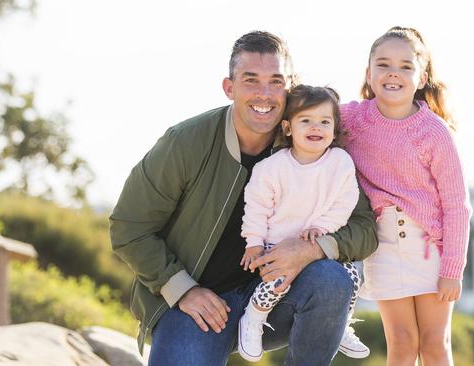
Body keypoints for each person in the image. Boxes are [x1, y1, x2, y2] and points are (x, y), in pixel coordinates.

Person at [109, 31, 378, 366]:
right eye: (251, 80)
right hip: (198, 305)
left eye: (275, 81)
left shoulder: (315, 146)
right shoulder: (184, 143)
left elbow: (365, 226)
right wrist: (181, 289)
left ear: (289, 87)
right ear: (229, 87)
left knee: (331, 279)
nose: (264, 94)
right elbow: (128, 228)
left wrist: (312, 248)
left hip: (274, 294)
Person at [340, 26, 472, 366]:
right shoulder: (352, 119)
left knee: (433, 344)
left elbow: (457, 206)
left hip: (431, 249)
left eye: (405, 66)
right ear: (369, 74)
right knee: (400, 342)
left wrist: (453, 268)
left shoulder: (434, 133)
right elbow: (307, 114)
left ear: (422, 76)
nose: (393, 73)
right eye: (383, 65)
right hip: (383, 246)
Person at [237, 84, 369, 362]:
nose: (316, 127)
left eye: (324, 121)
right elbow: (257, 208)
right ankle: (253, 319)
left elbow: (344, 203)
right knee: (276, 284)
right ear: (287, 127)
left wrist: (321, 228)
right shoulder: (271, 169)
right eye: (306, 120)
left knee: (353, 278)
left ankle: (341, 322)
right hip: (277, 244)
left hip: (316, 242)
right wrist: (254, 243)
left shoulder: (340, 162)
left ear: (334, 129)